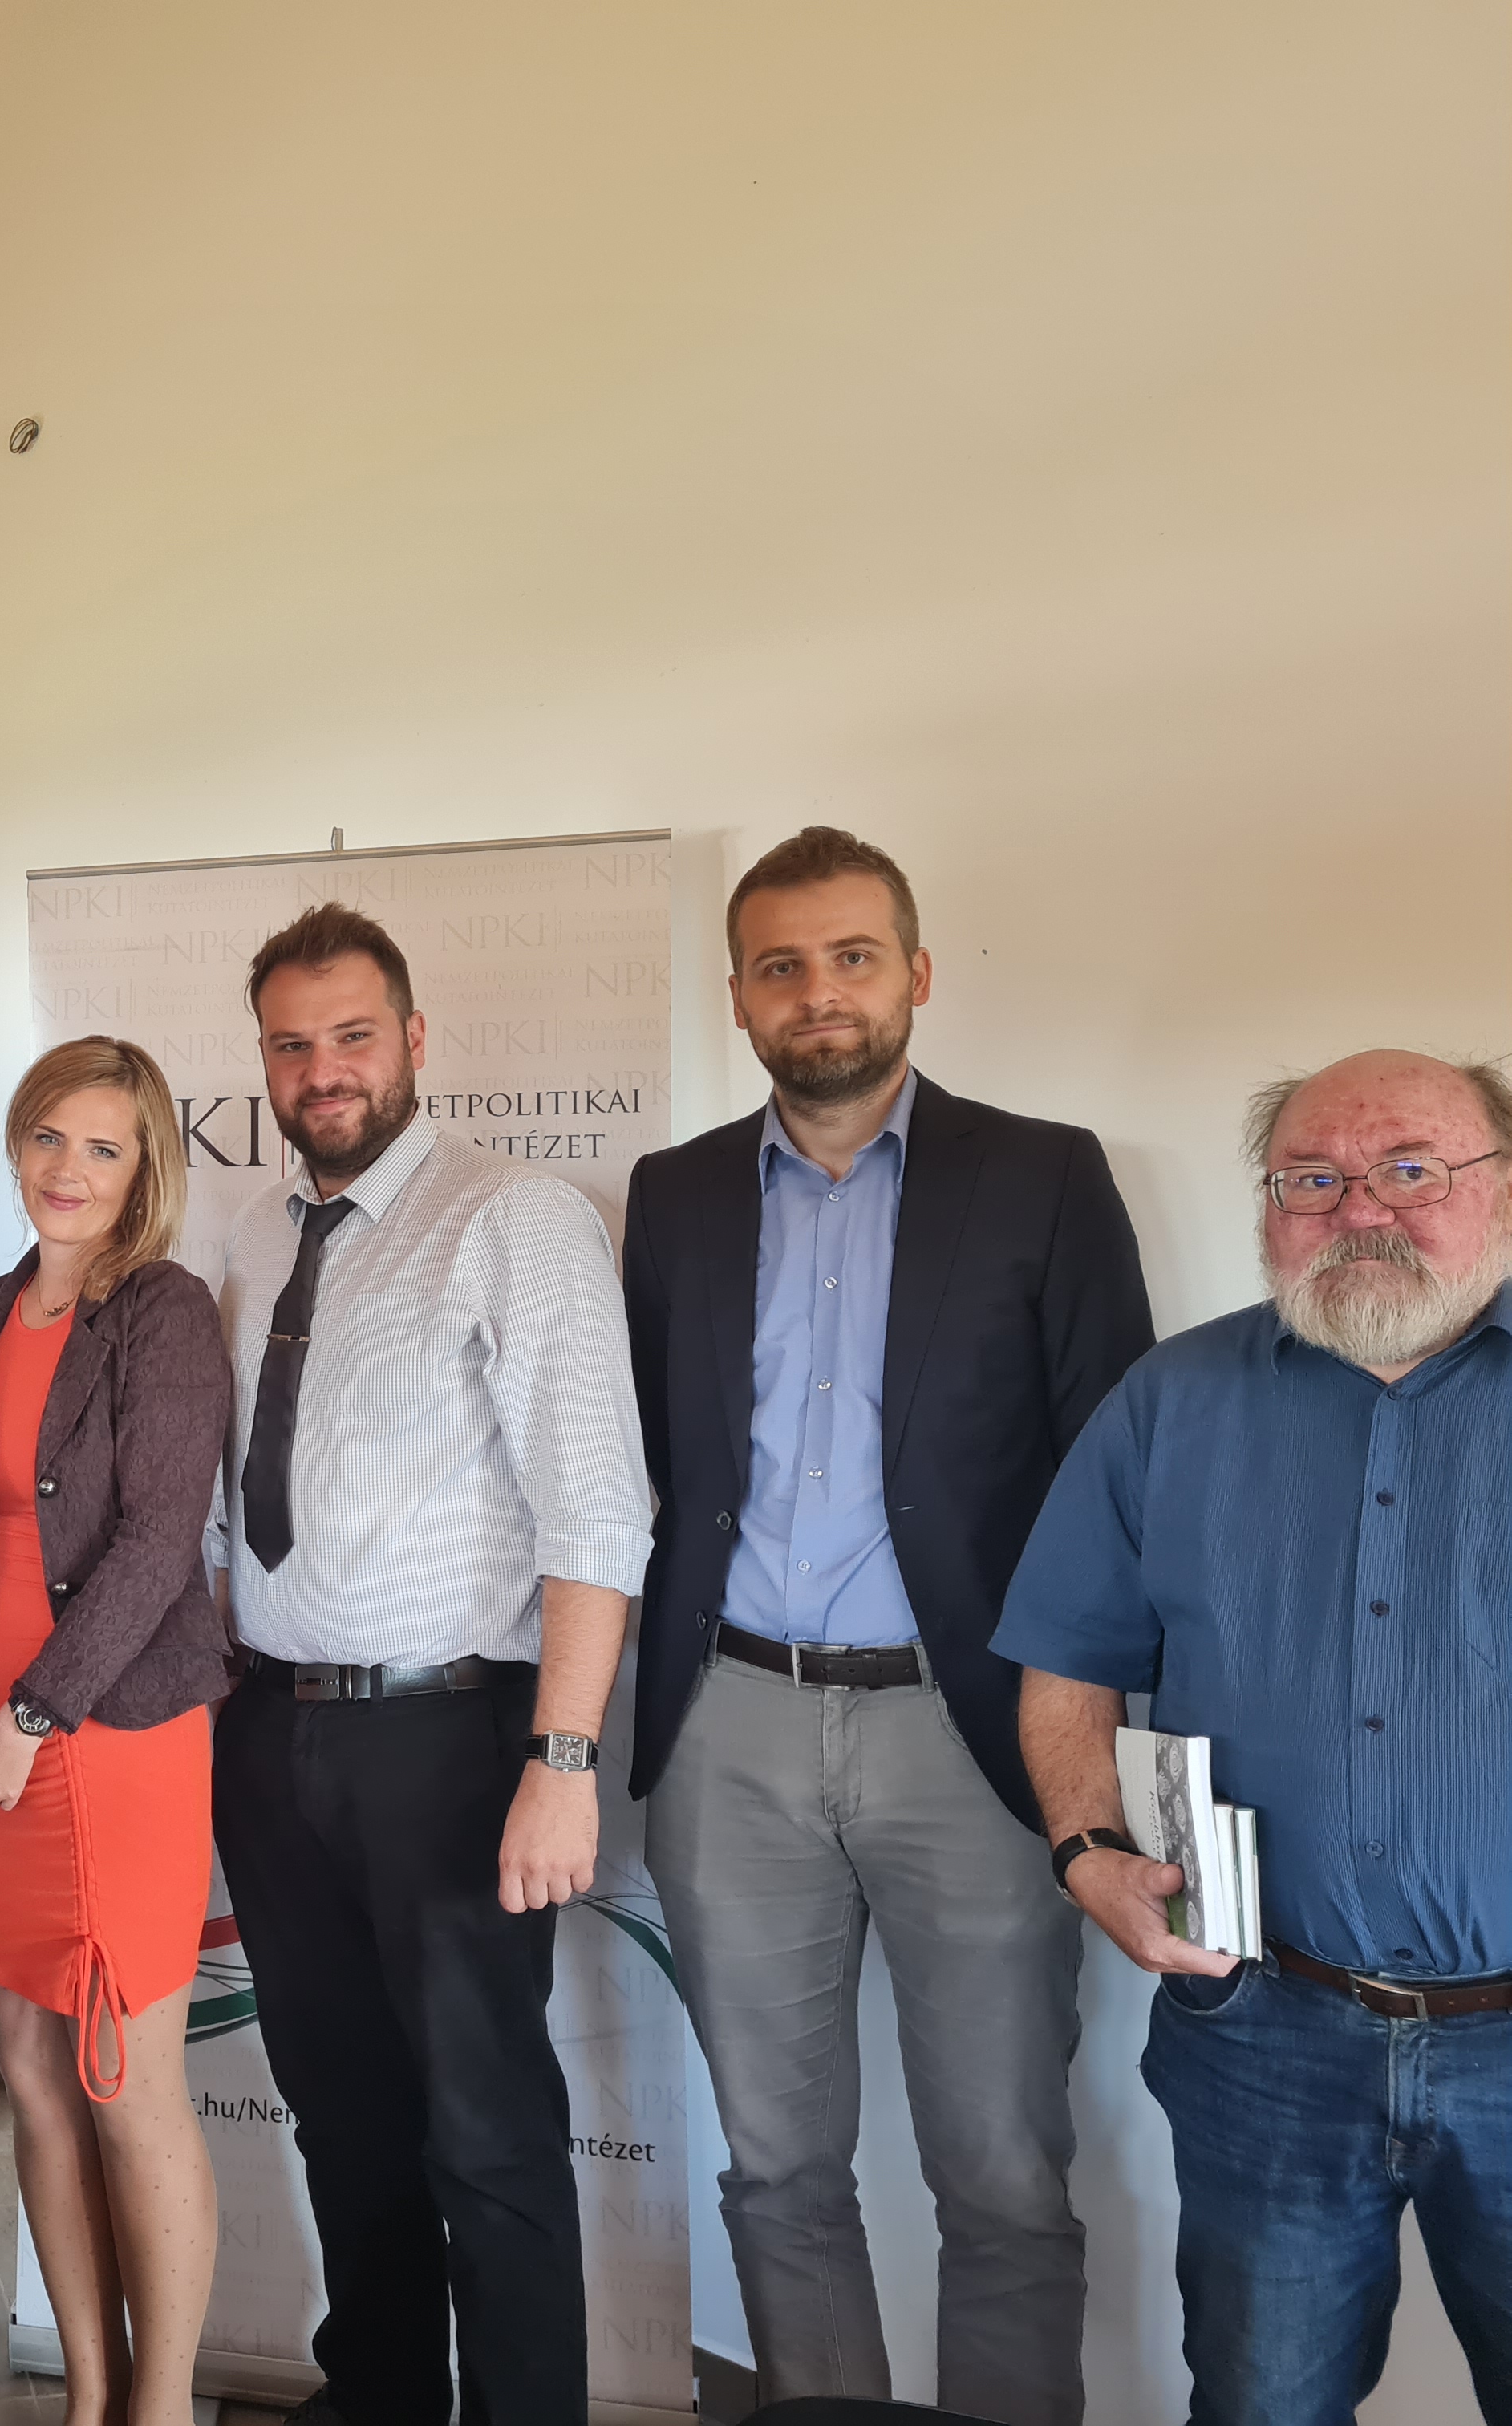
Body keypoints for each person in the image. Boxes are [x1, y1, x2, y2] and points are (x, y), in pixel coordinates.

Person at [621, 827, 1153, 2426]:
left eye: (852, 956)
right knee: (776, 2167)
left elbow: (1114, 1469)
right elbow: (644, 1462)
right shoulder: (673, 1194)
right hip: (728, 1725)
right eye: (781, 965)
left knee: (1002, 2174)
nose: (820, 992)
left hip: (973, 1730)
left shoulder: (1043, 1176)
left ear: (915, 974)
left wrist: (1098, 1739)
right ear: (737, 997)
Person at [999, 1048, 1512, 2426]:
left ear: (1504, 1188)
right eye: (1311, 1179)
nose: (1361, 1208)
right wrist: (1087, 1848)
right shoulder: (1172, 1400)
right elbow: (1067, 1663)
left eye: (1411, 1169)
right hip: (1269, 2034)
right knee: (1258, 2404)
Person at [208, 903, 651, 2426]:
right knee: (340, 2113)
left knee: (486, 2129)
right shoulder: (254, 1235)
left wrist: (563, 1761)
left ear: (411, 1040)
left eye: (352, 1036)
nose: (322, 1070)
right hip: (273, 1736)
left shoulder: (514, 1216)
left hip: (455, 1741)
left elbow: (598, 1511)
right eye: (291, 1045)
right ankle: (379, 2397)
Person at [0, 1037, 229, 2426]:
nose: (69, 1169)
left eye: (103, 1146)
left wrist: (29, 1716)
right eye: (48, 1137)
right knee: (33, 2078)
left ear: (145, 1166)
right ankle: (90, 2396)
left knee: (126, 2081)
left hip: (107, 1738)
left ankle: (160, 2409)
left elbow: (158, 1542)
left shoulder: (163, 1309)